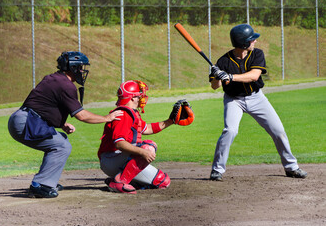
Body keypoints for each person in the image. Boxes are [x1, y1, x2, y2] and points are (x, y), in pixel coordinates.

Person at [8, 51, 123, 198]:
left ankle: (47, 181)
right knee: (61, 146)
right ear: (73, 67)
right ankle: (40, 185)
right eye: (80, 67)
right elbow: (81, 115)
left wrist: (62, 124)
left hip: (23, 119)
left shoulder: (53, 78)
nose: (82, 71)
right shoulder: (66, 85)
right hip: (27, 121)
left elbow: (44, 105)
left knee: (60, 141)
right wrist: (107, 118)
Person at [208, 24, 307, 181]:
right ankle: (217, 170)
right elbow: (215, 87)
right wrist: (216, 76)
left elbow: (254, 76)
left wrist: (230, 76)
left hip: (257, 98)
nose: (254, 41)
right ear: (243, 43)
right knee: (230, 130)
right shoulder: (223, 61)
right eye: (251, 39)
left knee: (278, 130)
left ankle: (291, 167)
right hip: (234, 100)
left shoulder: (257, 54)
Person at [98, 80, 194, 194]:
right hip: (112, 158)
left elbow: (147, 129)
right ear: (132, 98)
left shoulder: (131, 113)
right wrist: (142, 152)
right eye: (139, 95)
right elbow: (119, 143)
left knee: (163, 181)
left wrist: (170, 121)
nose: (142, 98)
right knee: (148, 146)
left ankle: (117, 180)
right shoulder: (123, 114)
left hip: (119, 159)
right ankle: (120, 181)